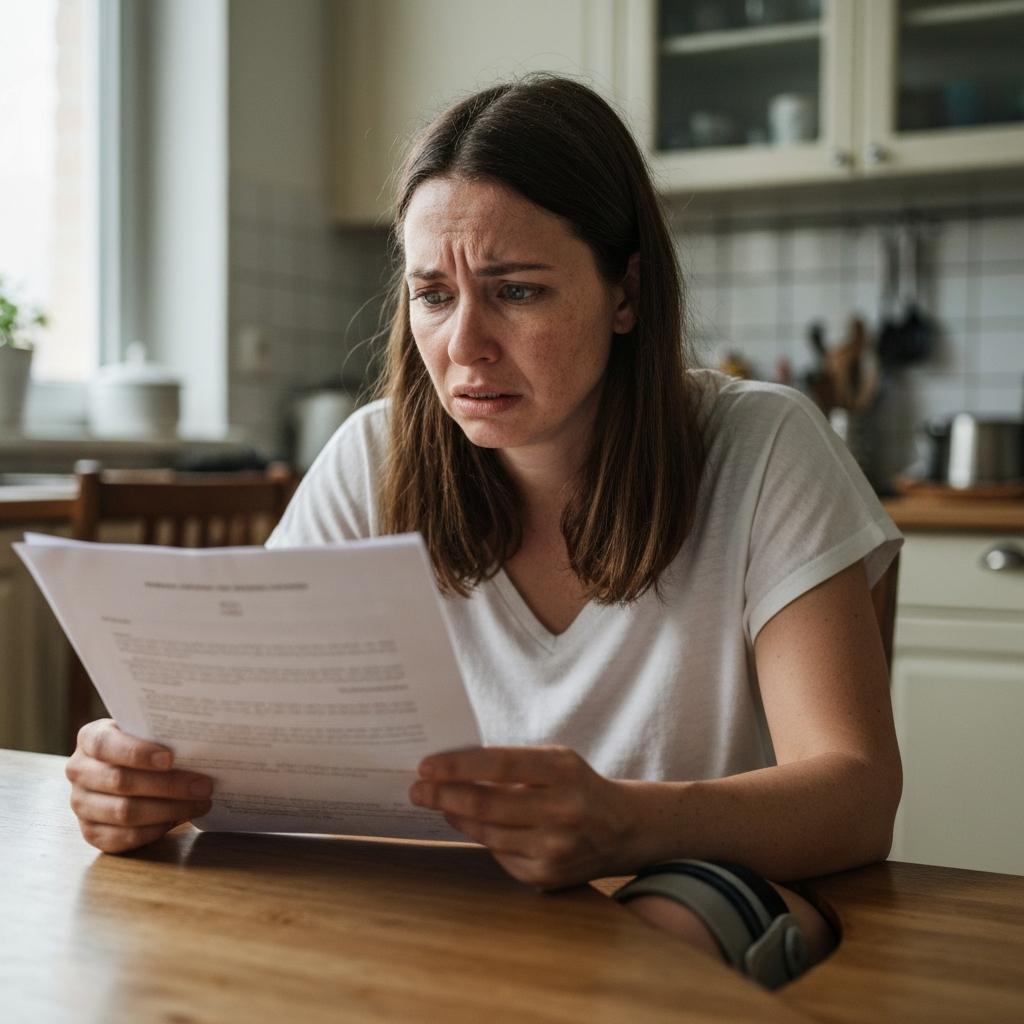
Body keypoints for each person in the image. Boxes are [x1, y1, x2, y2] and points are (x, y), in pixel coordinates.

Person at [65, 75, 903, 988]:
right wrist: (144, 778)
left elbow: (855, 794)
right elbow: (255, 756)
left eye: (517, 291)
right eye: (433, 294)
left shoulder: (764, 445)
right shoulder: (371, 459)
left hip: (685, 891)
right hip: (434, 911)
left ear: (626, 291)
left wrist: (624, 819)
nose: (464, 345)